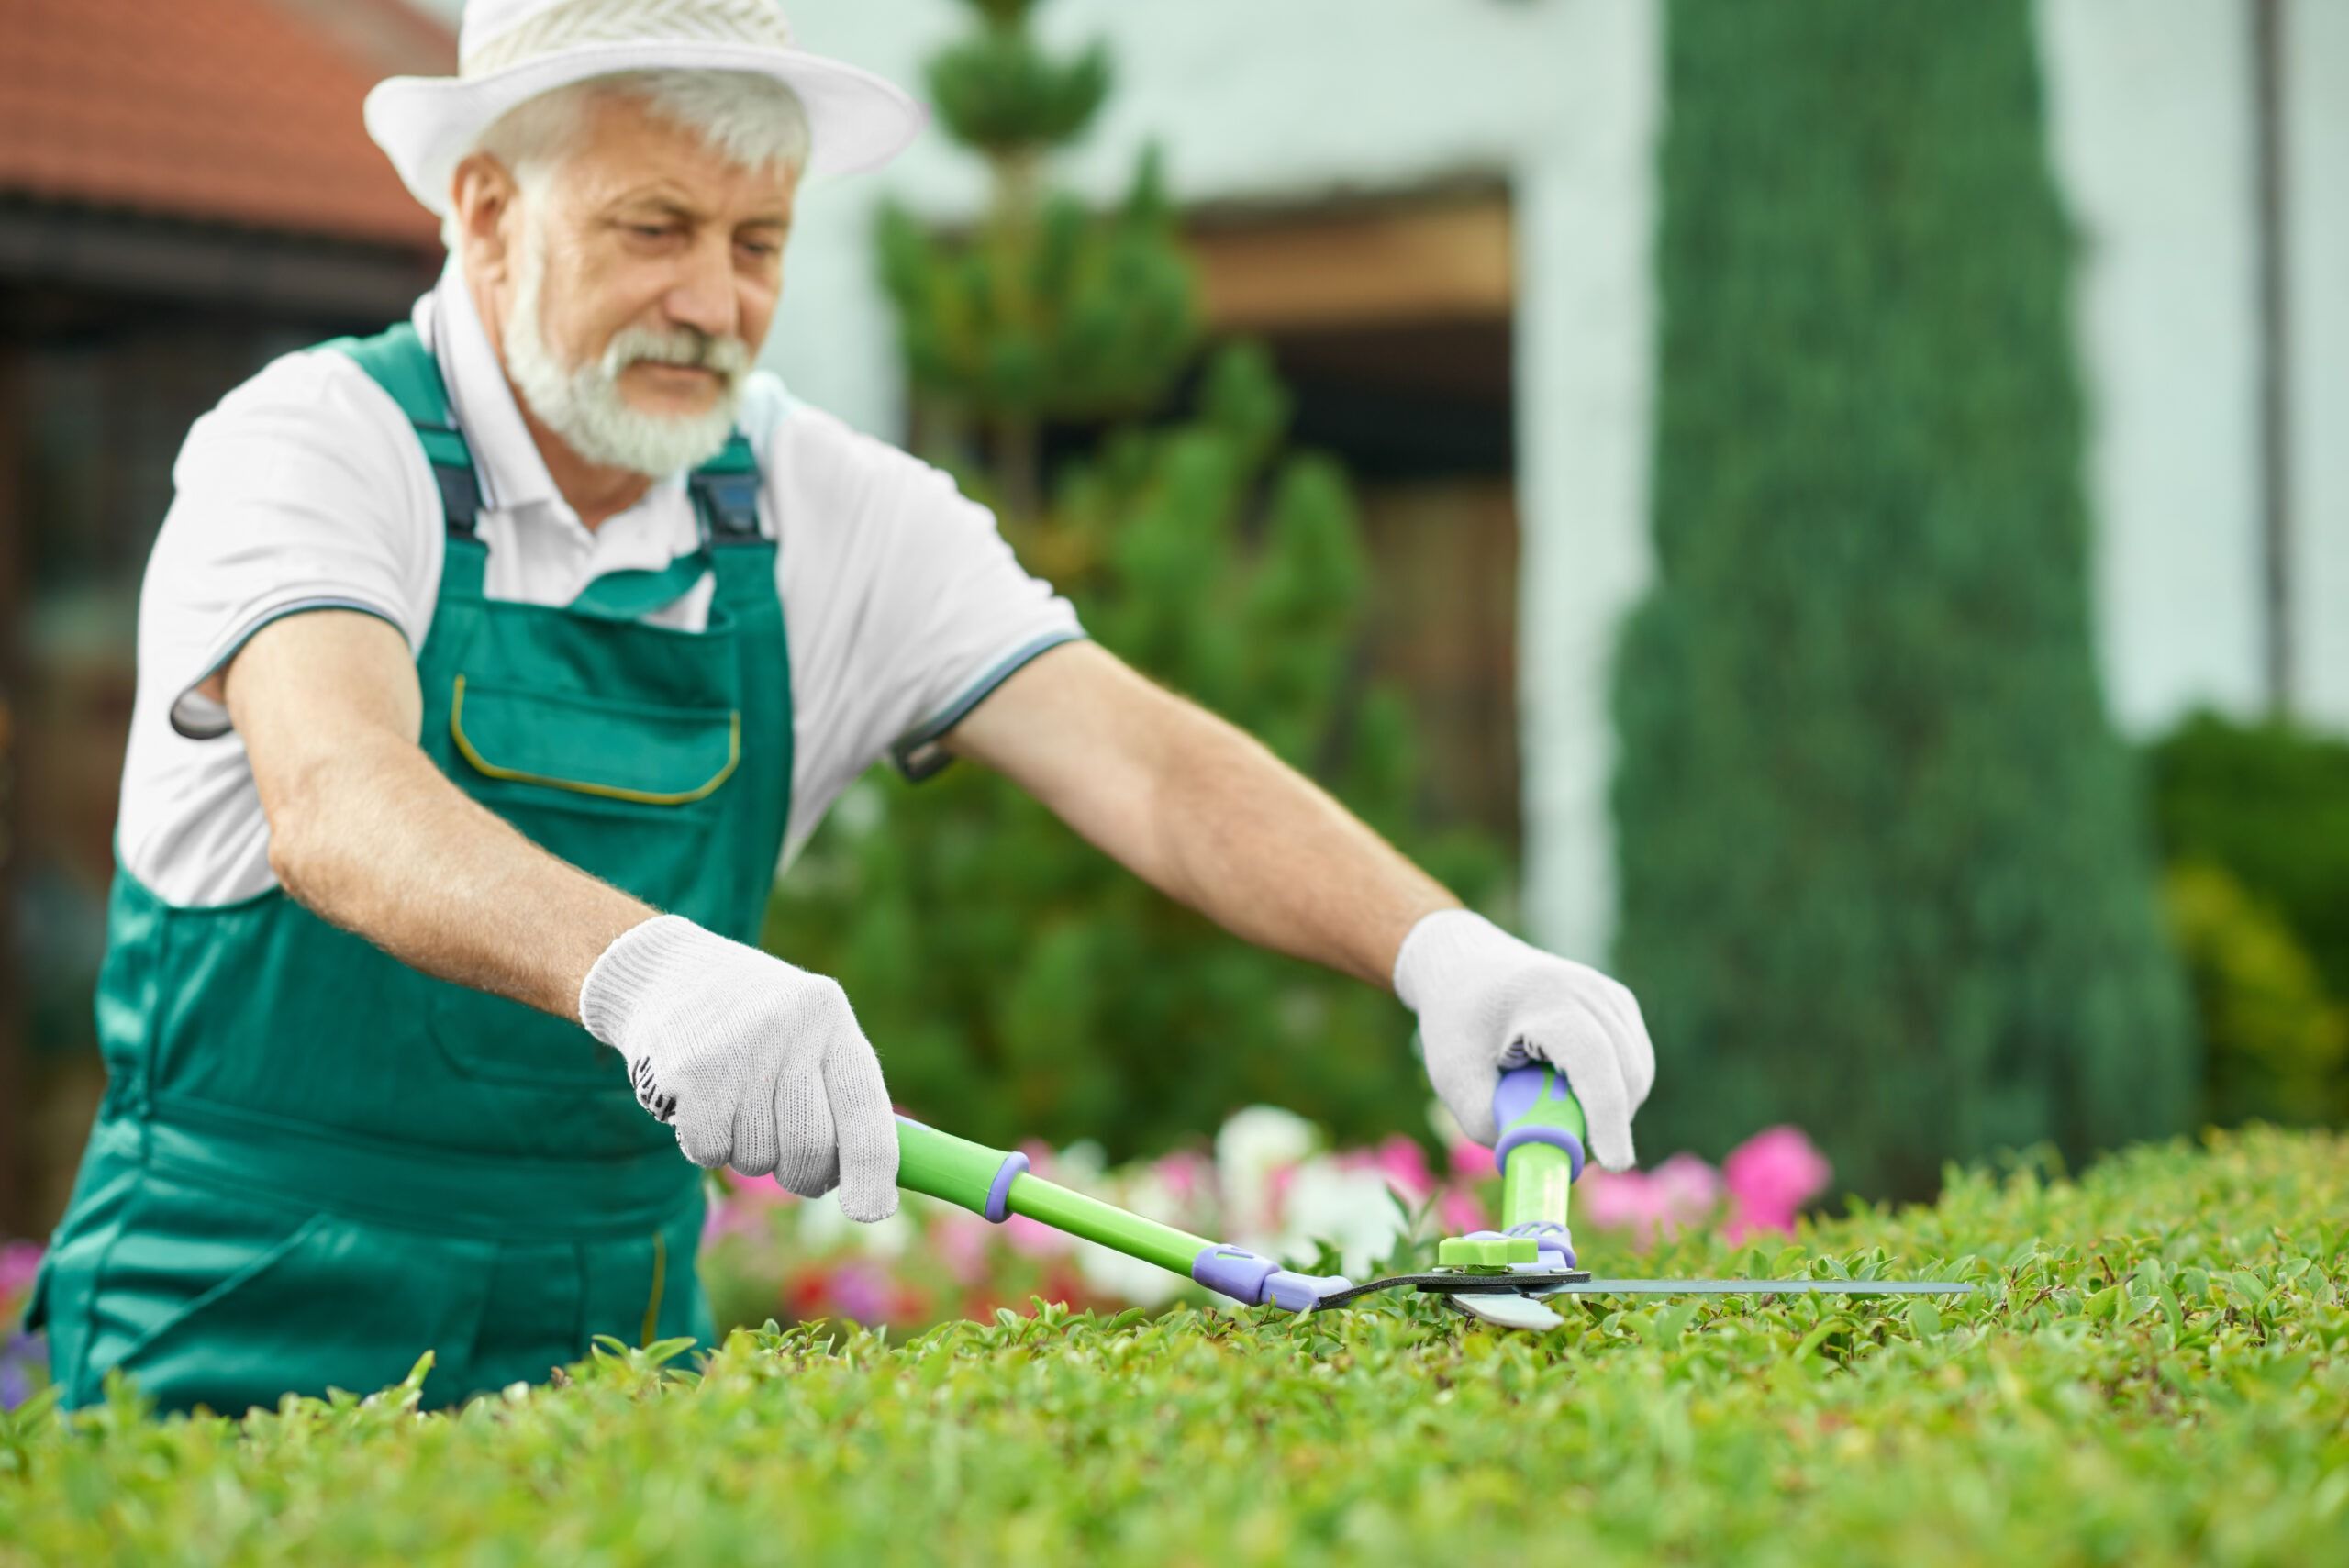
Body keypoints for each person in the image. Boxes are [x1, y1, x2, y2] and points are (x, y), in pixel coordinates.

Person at [28, 0, 1655, 1415]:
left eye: (759, 244)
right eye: (652, 229)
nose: (715, 304)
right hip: (237, 1317)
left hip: (613, 1342)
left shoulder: (821, 509)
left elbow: (1143, 762)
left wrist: (1440, 947)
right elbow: (335, 795)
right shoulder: (313, 444)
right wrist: (645, 969)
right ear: (487, 211)